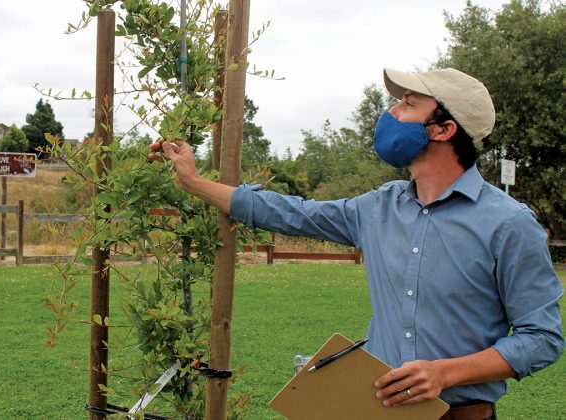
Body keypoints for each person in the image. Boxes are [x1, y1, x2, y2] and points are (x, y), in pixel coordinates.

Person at [149, 68, 564, 419]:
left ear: (443, 129)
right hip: (372, 409)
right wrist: (194, 181)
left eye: (407, 104)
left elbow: (542, 338)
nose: (391, 112)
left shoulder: (509, 224)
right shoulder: (379, 207)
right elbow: (291, 212)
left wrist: (444, 373)